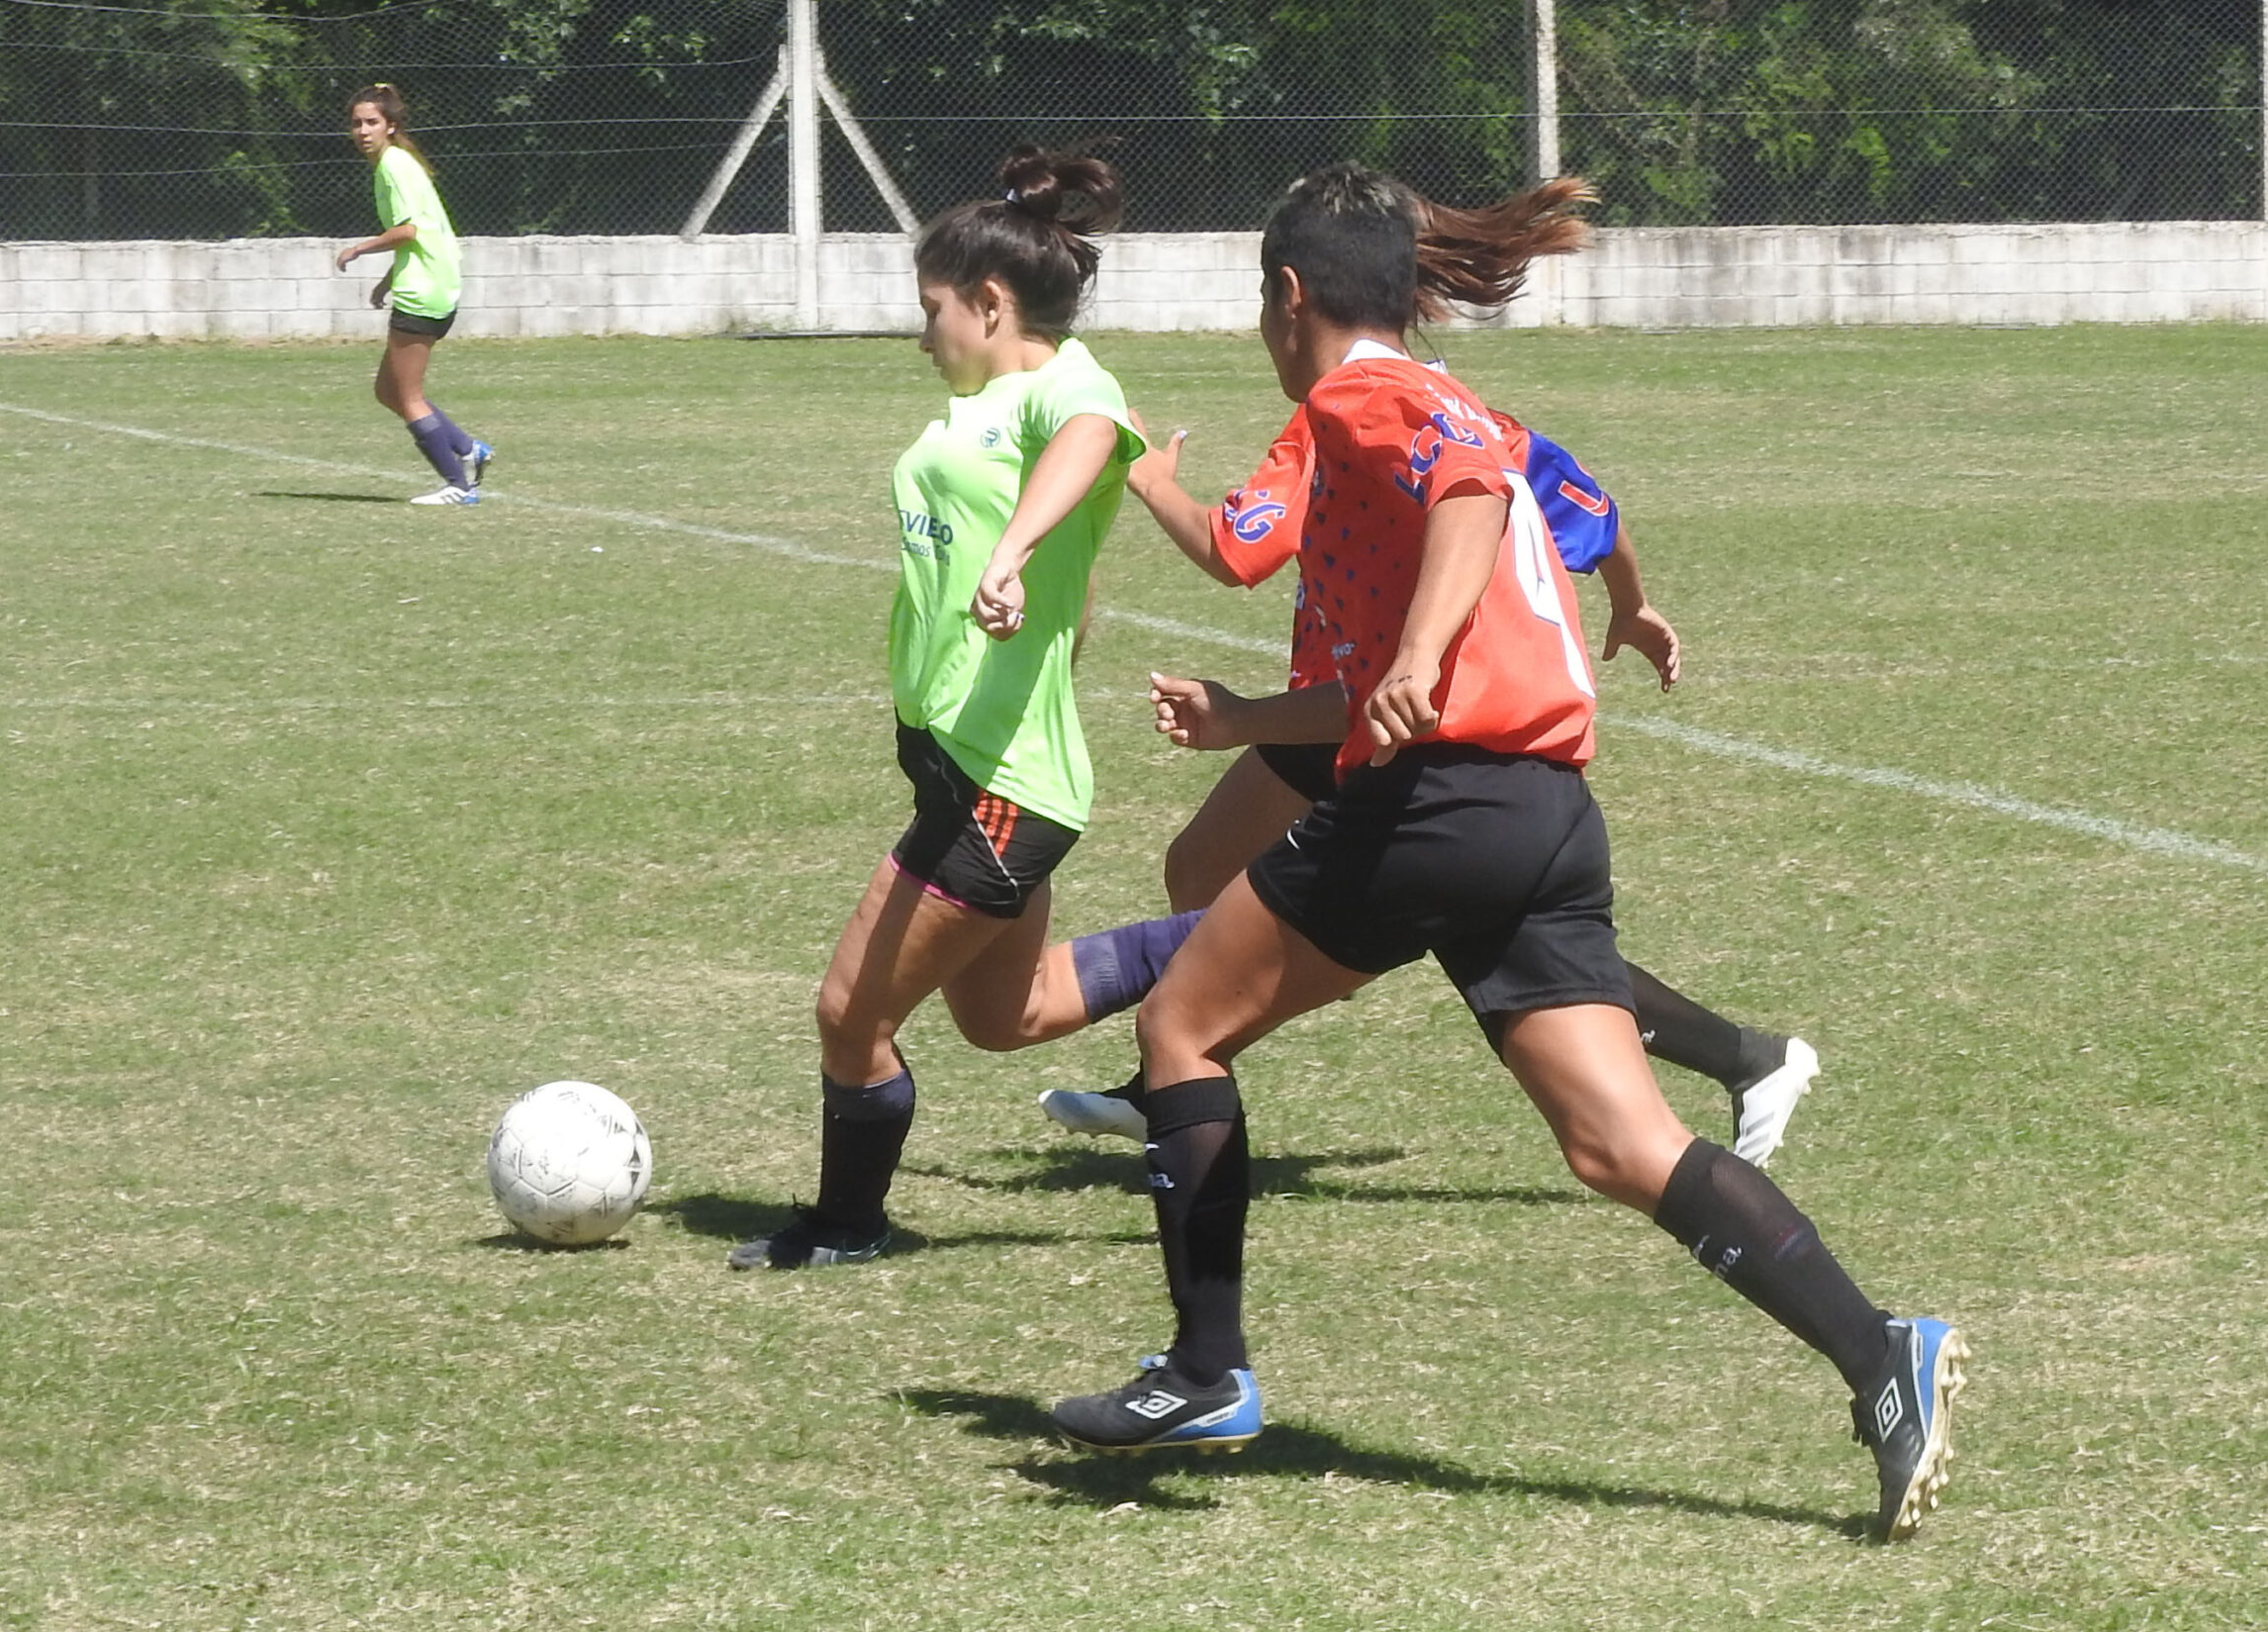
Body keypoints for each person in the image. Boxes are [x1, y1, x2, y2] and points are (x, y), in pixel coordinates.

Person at [1046, 163, 1967, 1545]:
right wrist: (1260, 713)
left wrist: (1412, 655)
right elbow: (1411, 645)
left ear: (1289, 297)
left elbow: (1469, 493)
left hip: (1437, 805)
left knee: (1181, 1025)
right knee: (1622, 1142)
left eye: (1261, 302)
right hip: (1538, 812)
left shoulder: (1368, 395)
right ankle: (1878, 1351)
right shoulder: (1426, 408)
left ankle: (1202, 1371)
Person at [1036, 378, 1820, 1167]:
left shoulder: (1345, 418)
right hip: (1367, 703)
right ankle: (1173, 1076)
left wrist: (1146, 477)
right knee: (1207, 868)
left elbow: (1232, 548)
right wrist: (1630, 602)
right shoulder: (1479, 423)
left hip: (1387, 713)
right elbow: (1597, 512)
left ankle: (1182, 1079)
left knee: (1467, 931)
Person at [725, 146, 1200, 1273]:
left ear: (991, 304)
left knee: (850, 1013)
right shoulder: (977, 405)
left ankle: (848, 1225)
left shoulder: (1066, 385)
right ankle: (1258, 928)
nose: (921, 329)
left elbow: (1089, 441)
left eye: (931, 307)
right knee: (1009, 1011)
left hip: (1003, 785)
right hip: (957, 764)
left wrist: (1018, 553)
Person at [335, 82, 492, 507]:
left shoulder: (393, 166)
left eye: (372, 122)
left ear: (391, 125)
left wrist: (358, 248)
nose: (363, 131)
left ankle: (458, 485)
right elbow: (422, 235)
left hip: (424, 292)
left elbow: (408, 230)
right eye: (356, 123)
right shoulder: (400, 162)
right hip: (433, 282)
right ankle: (467, 448)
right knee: (388, 390)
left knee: (407, 396)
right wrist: (388, 279)